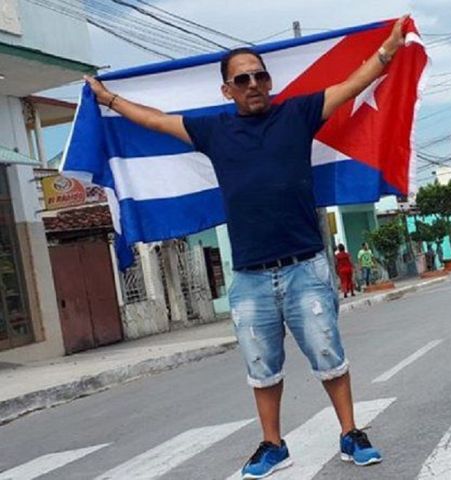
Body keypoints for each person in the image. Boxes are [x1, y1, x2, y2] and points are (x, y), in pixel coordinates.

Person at [83, 16, 410, 478]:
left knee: (329, 357)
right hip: (251, 276)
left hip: (306, 267)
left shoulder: (297, 114)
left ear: (269, 82)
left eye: (260, 75)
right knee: (261, 368)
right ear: (227, 90)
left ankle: (351, 433)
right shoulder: (214, 130)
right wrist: (109, 99)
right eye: (243, 78)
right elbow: (156, 121)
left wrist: (387, 51)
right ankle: (273, 446)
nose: (254, 83)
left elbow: (352, 84)